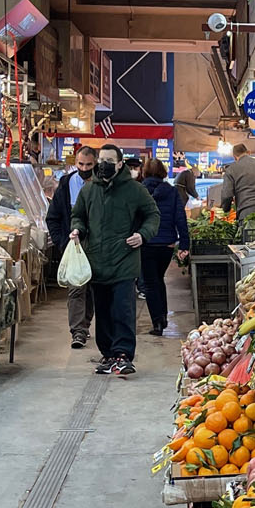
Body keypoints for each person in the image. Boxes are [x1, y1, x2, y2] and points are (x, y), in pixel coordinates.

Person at [69, 144, 160, 376]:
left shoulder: (135, 190)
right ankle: (108, 354)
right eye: (102, 159)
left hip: (124, 262)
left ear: (120, 164)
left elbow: (152, 214)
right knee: (103, 311)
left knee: (123, 309)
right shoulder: (89, 191)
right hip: (97, 262)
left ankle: (123, 355)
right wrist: (77, 230)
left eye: (109, 160)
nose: (104, 164)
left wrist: (143, 235)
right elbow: (78, 215)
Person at [47, 144, 98, 347]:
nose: (84, 168)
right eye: (80, 164)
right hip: (74, 246)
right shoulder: (66, 185)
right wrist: (62, 242)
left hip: (97, 247)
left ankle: (84, 324)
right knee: (76, 288)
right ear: (75, 163)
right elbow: (53, 217)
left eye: (89, 164)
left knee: (93, 289)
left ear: (95, 164)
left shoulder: (103, 185)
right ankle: (78, 331)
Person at [140, 159, 189, 338]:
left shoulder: (139, 191)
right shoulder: (172, 191)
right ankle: (162, 316)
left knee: (151, 283)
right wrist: (184, 243)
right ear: (163, 172)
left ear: (144, 172)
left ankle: (158, 322)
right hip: (167, 244)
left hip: (145, 243)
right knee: (158, 279)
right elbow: (180, 218)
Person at [217, 141, 255, 217]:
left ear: (234, 157)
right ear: (248, 152)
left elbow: (227, 195)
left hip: (248, 213)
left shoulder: (232, 169)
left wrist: (226, 209)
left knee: (251, 228)